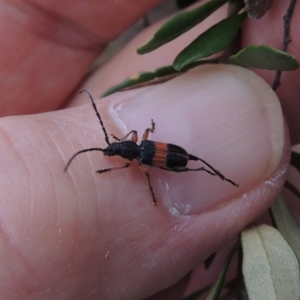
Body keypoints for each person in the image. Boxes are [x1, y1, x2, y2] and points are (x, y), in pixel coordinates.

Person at [0, 1, 298, 299]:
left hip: (172, 154)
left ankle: (220, 175)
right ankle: (219, 174)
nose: (115, 150)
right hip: (173, 155)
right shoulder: (140, 147)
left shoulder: (141, 156)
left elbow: (138, 170)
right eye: (117, 149)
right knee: (195, 161)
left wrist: (143, 183)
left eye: (116, 149)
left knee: (194, 162)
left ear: (126, 149)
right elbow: (132, 149)